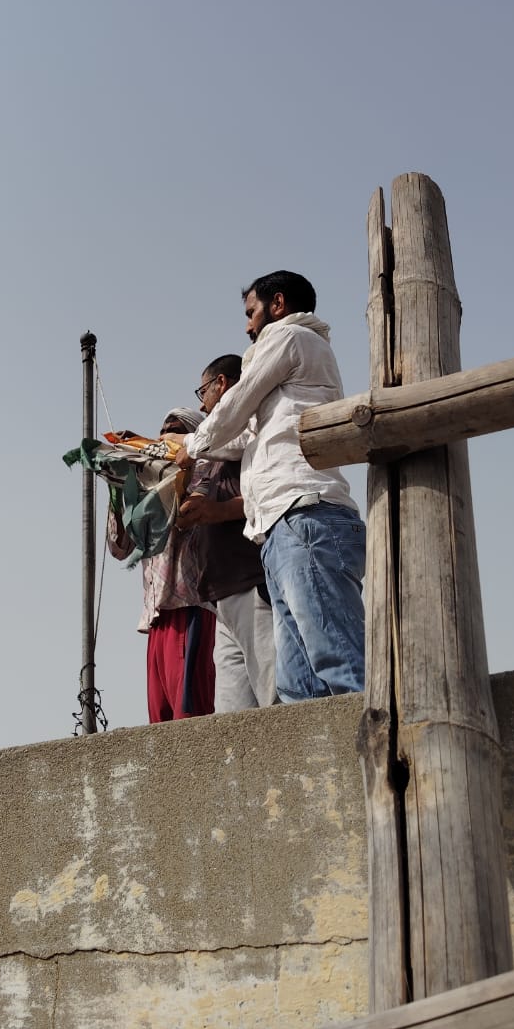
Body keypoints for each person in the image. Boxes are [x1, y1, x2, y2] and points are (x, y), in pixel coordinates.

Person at [167, 271, 365, 703]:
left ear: (277, 304)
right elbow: (240, 439)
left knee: (336, 661)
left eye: (251, 312)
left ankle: (382, 765)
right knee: (298, 685)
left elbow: (235, 404)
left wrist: (194, 443)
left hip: (305, 514)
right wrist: (178, 447)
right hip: (281, 525)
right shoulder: (292, 359)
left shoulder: (288, 336)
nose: (247, 325)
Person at [177, 355, 276, 712]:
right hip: (221, 594)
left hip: (249, 580)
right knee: (233, 719)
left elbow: (267, 493)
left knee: (275, 695)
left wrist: (217, 511)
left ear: (222, 384)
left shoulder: (250, 431)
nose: (201, 404)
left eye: (202, 391)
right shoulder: (214, 445)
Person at [106, 407, 217, 722]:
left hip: (188, 606)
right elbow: (119, 547)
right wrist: (118, 485)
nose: (166, 432)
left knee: (189, 719)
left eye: (177, 428)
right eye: (163, 428)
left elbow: (188, 513)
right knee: (161, 723)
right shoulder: (147, 484)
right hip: (156, 617)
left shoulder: (203, 469)